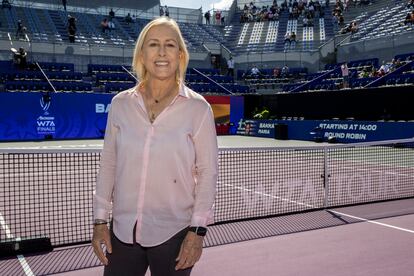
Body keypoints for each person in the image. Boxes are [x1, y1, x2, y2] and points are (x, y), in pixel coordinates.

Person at [91, 17, 218, 276]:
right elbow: (109, 164)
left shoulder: (199, 109)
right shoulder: (120, 104)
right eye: (153, 44)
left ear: (180, 54)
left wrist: (196, 231)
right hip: (122, 232)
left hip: (176, 233)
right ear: (142, 53)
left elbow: (208, 173)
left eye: (170, 45)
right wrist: (100, 219)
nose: (161, 52)